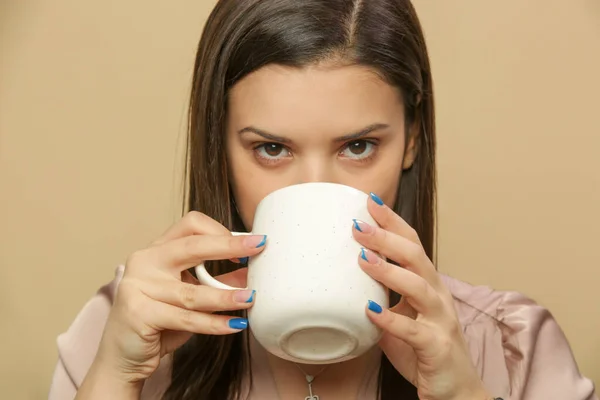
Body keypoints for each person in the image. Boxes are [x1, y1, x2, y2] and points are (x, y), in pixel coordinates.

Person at [48, 1, 597, 399]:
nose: (313, 188)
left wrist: (461, 395)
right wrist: (115, 378)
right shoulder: (124, 330)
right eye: (270, 148)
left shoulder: (511, 349)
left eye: (358, 146)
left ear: (411, 141)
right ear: (218, 145)